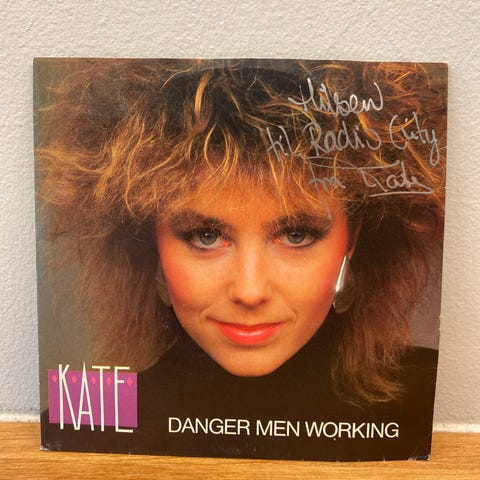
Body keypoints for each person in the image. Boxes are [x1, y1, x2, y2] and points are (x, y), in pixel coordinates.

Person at [36, 58, 447, 460]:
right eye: (206, 235)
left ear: (351, 238)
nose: (250, 292)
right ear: (151, 241)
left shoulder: (426, 410)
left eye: (296, 234)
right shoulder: (83, 426)